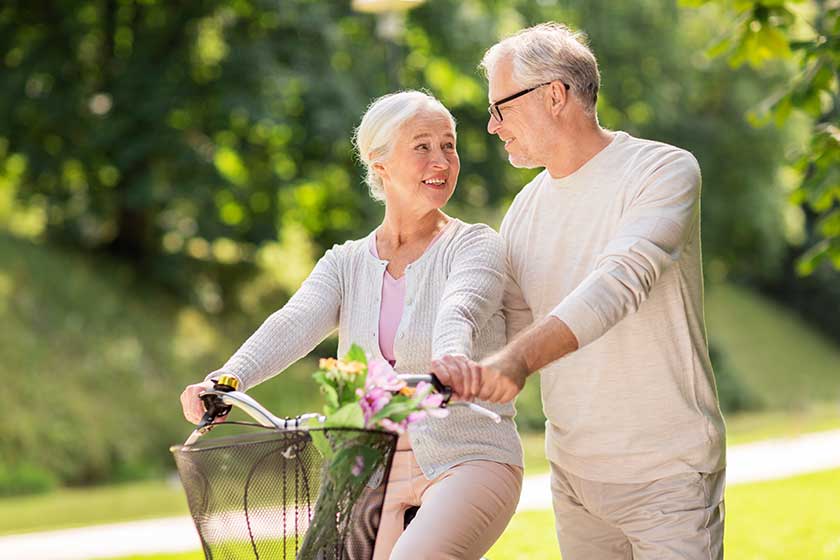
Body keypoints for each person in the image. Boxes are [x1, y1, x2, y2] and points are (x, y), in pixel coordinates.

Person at [179, 90, 523, 560]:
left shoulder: (474, 246)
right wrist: (225, 379)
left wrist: (452, 359)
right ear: (379, 164)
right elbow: (295, 320)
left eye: (449, 144)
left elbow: (460, 308)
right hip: (366, 464)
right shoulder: (346, 262)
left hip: (467, 454)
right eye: (422, 146)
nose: (442, 159)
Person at [432, 23, 726, 560]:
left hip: (668, 473)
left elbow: (620, 282)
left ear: (554, 95)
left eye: (501, 108)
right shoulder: (524, 210)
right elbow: (507, 330)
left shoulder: (661, 170)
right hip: (576, 480)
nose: (493, 127)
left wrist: (514, 362)